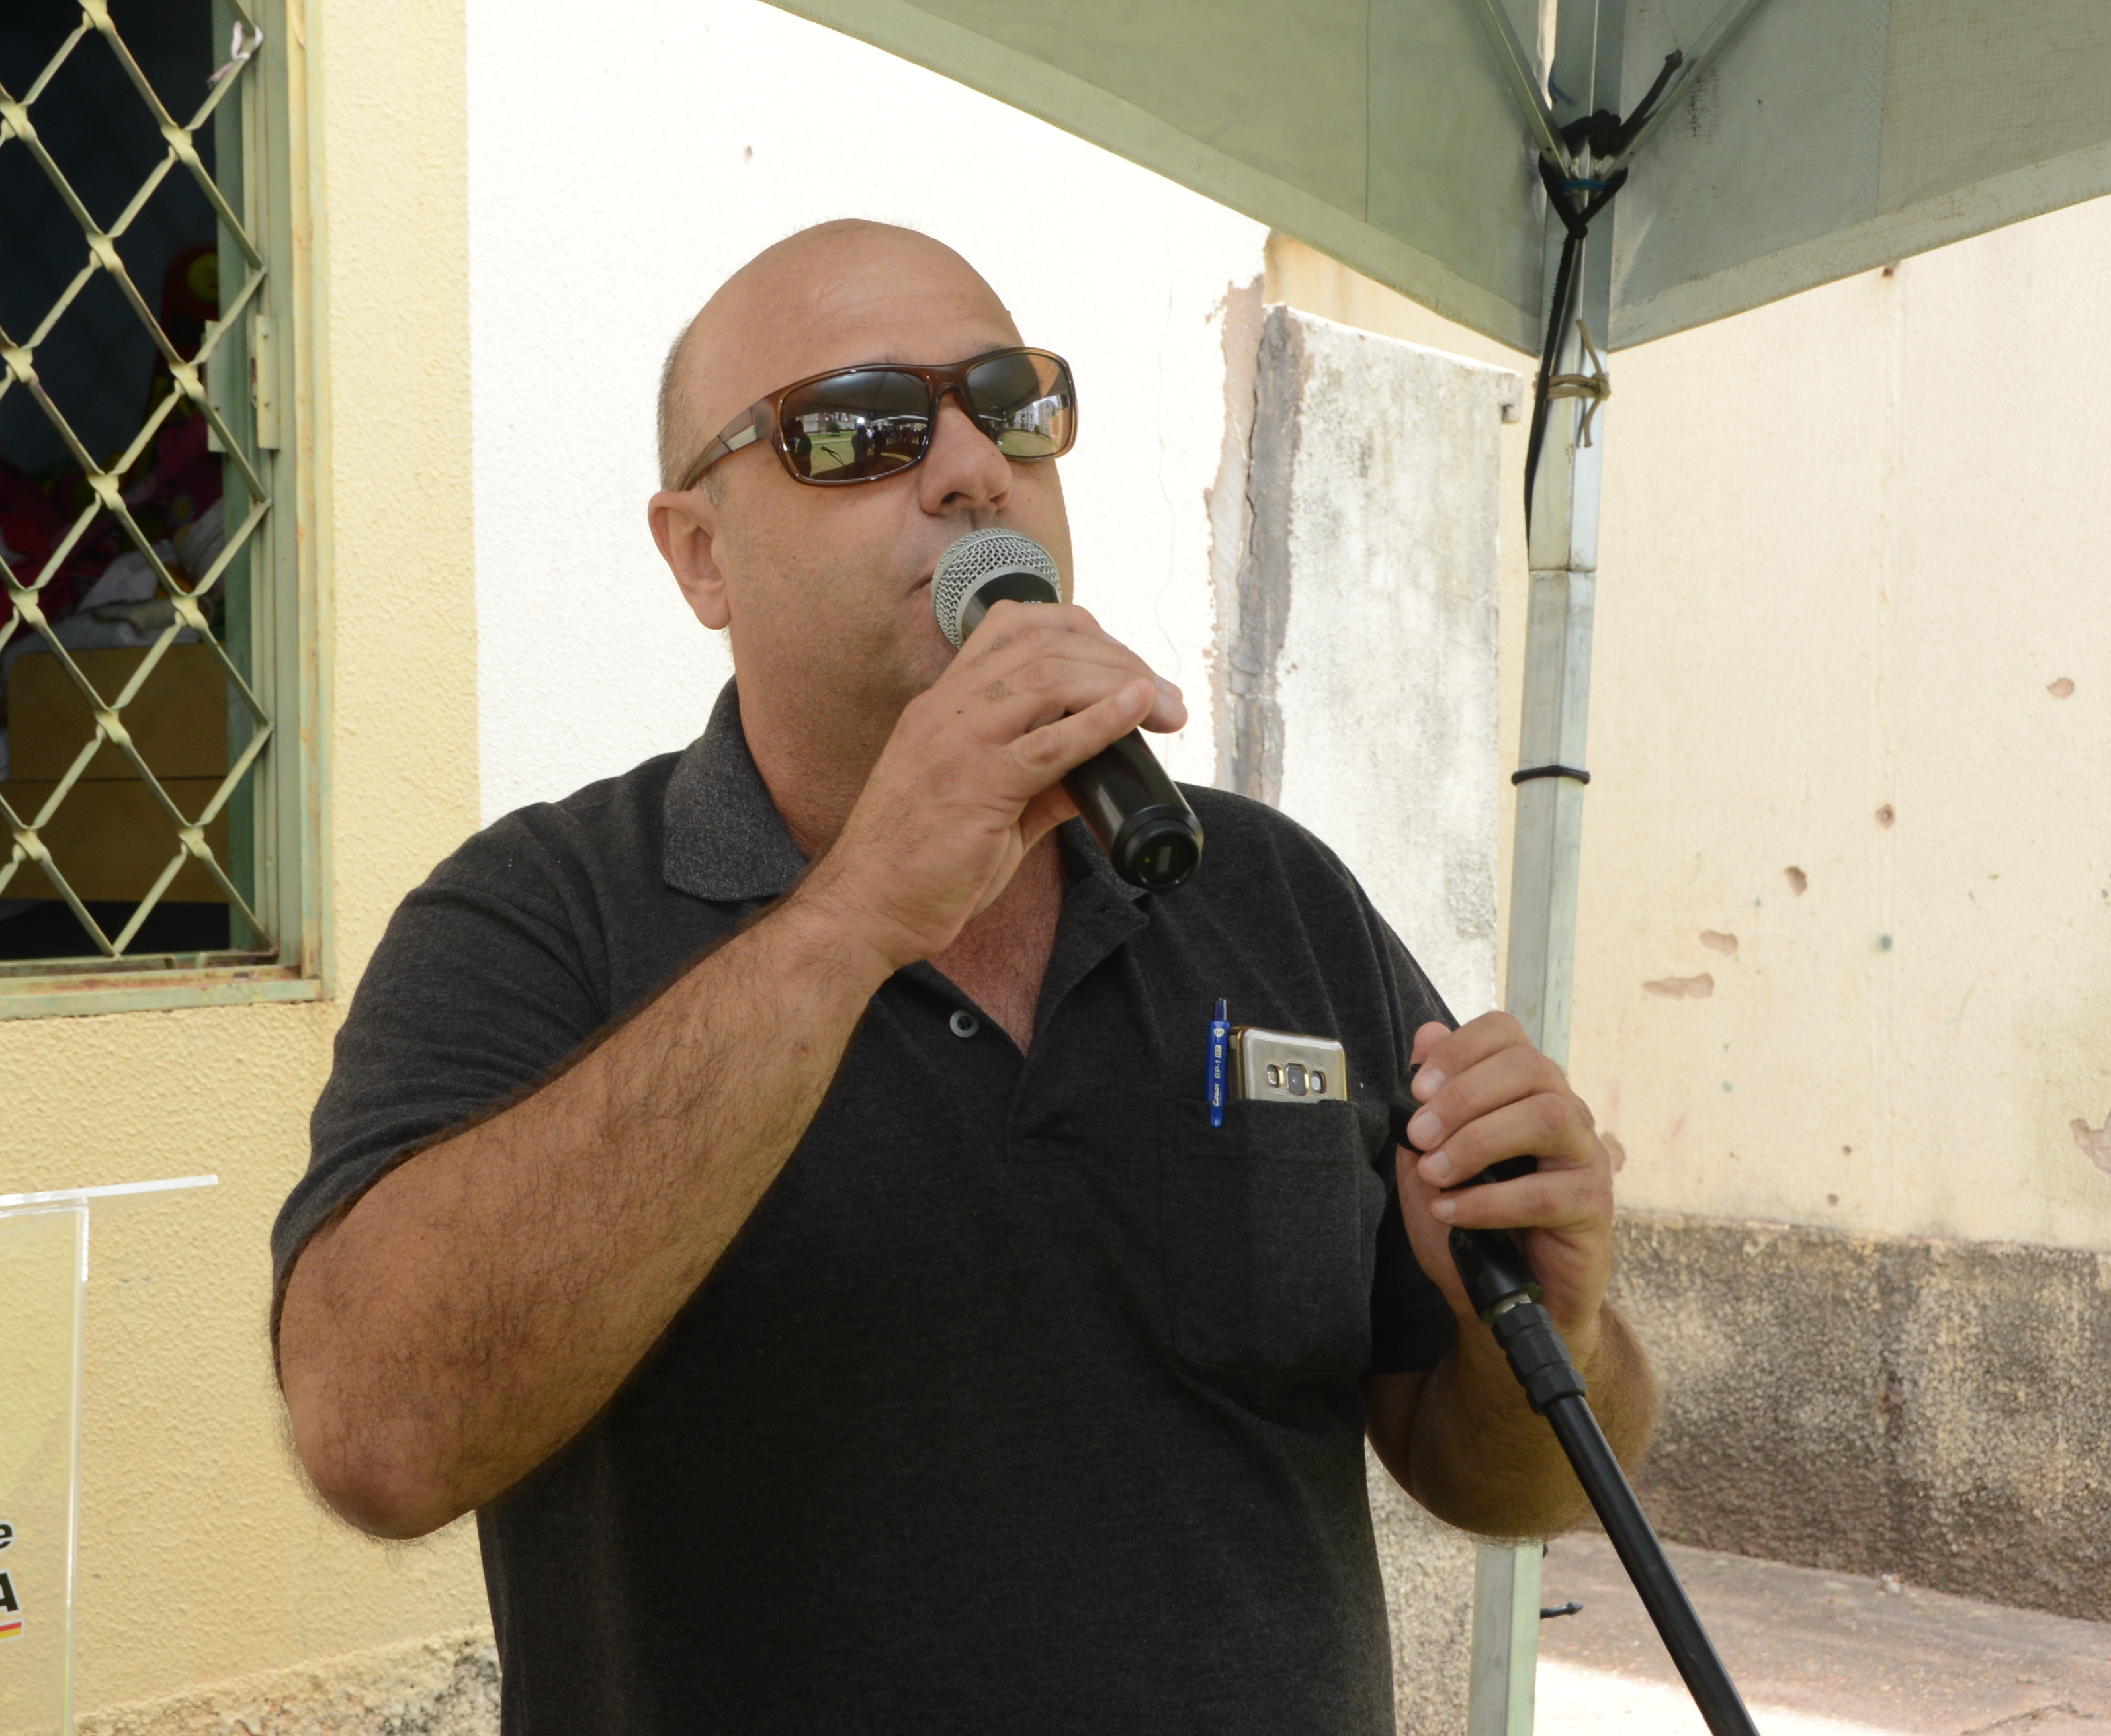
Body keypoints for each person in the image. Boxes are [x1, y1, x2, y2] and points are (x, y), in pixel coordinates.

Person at [273, 220, 1657, 1734]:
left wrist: (1550, 1328)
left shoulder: (1271, 892)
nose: (971, 467)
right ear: (701, 555)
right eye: (859, 427)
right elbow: (378, 1435)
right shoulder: (539, 915)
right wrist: (852, 916)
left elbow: (1505, 1480)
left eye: (1014, 405)